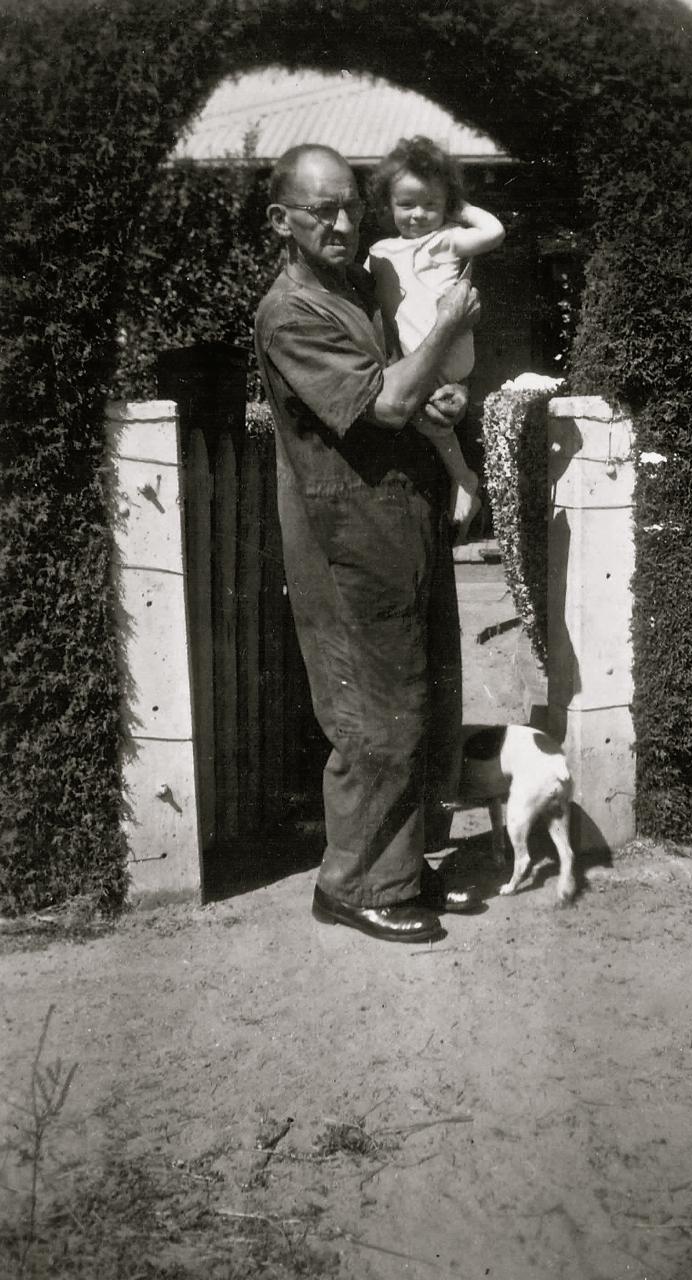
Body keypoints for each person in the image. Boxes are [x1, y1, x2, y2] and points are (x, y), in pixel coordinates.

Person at [254, 143, 483, 943]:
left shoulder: (353, 292)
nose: (345, 222)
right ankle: (352, 885)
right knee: (373, 715)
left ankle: (402, 867)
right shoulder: (292, 312)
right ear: (282, 220)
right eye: (324, 211)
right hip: (344, 537)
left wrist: (441, 393)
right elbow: (382, 406)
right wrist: (448, 324)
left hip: (395, 523)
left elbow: (407, 391)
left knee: (417, 699)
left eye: (353, 205)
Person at [366, 136, 506, 539]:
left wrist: (457, 207)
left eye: (430, 204)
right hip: (411, 356)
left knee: (429, 419)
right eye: (406, 204)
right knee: (423, 420)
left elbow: (494, 231)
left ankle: (464, 479)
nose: (418, 214)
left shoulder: (444, 240)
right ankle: (460, 480)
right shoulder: (378, 251)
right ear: (388, 205)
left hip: (446, 354)